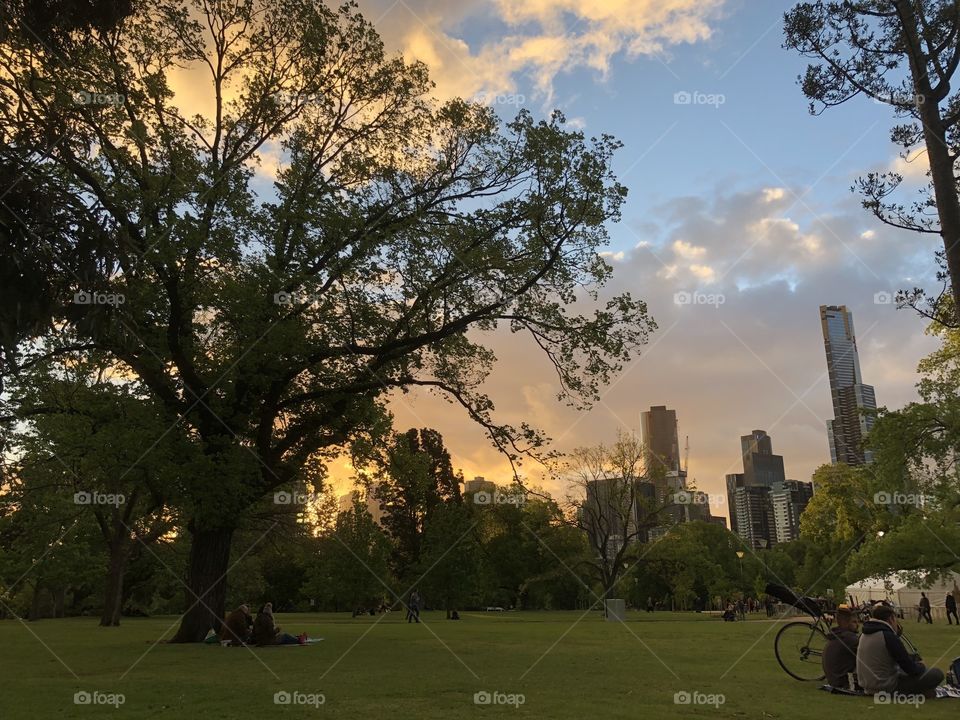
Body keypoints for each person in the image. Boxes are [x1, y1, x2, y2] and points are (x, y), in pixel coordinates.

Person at [856, 604, 943, 698]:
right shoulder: (887, 636)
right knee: (935, 674)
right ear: (891, 619)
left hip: (868, 686)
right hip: (886, 687)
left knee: (903, 671)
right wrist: (921, 666)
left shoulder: (863, 635)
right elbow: (911, 669)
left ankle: (923, 692)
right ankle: (922, 692)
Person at [822, 608, 859, 690]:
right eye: (854, 622)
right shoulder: (849, 638)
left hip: (833, 680)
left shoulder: (836, 636)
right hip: (844, 682)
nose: (858, 625)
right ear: (844, 623)